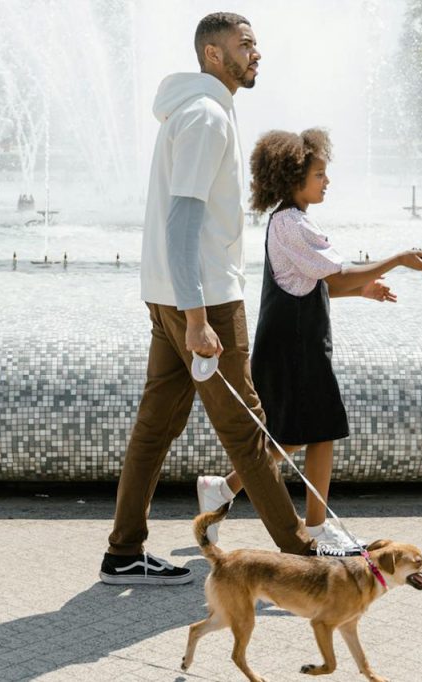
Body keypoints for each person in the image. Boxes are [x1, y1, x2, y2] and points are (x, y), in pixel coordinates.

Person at [99, 13, 318, 586]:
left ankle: (124, 552)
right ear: (214, 55)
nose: (256, 54)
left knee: (154, 427)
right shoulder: (204, 117)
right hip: (204, 300)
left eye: (256, 44)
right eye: (245, 45)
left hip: (171, 295)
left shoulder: (199, 109)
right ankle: (301, 560)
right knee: (248, 430)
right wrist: (198, 319)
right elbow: (183, 221)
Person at [197, 128, 422, 554]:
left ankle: (224, 489)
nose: (327, 181)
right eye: (319, 174)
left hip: (294, 345)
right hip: (294, 348)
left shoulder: (294, 221)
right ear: (294, 178)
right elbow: (336, 274)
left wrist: (363, 290)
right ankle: (317, 529)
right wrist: (398, 259)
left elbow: (318, 282)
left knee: (299, 435)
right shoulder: (291, 223)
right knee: (318, 431)